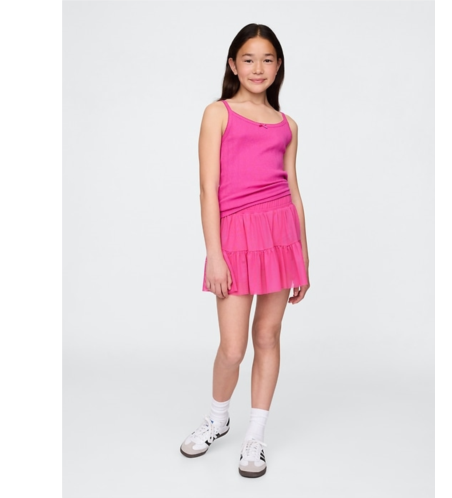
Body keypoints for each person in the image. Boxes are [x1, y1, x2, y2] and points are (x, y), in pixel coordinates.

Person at [180, 23, 310, 479]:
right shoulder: (217, 113)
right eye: (249, 59)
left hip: (280, 236)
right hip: (234, 238)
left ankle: (255, 435)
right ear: (233, 65)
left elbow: (294, 191)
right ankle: (218, 418)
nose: (258, 68)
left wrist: (304, 257)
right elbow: (207, 189)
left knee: (268, 337)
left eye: (267, 59)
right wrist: (214, 254)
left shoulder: (288, 125)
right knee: (233, 348)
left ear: (278, 66)